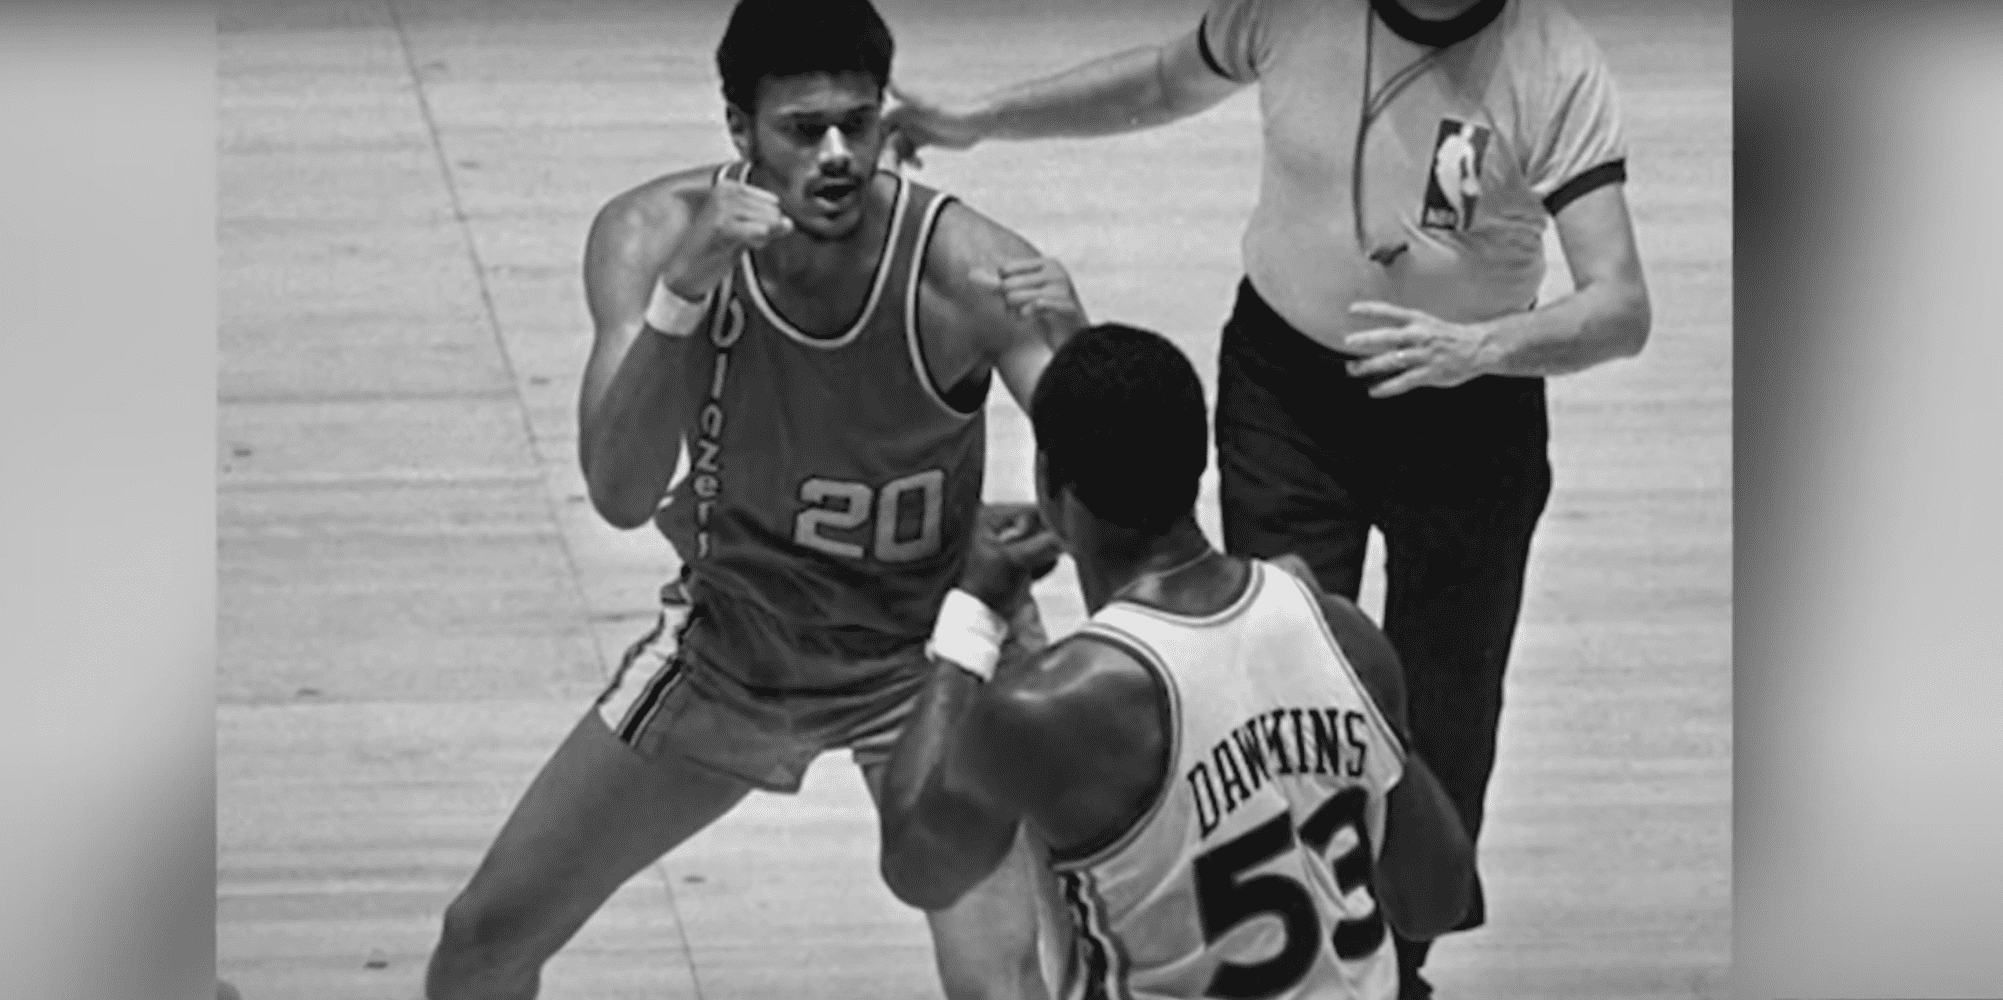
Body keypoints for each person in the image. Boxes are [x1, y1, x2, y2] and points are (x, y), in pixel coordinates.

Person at [886, 1, 1652, 993]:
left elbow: (1618, 304)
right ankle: (1240, 939)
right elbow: (1160, 82)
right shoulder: (1292, 9)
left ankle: (1387, 963)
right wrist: (979, 117)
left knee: (1437, 710)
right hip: (1287, 392)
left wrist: (1477, 351)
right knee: (1243, 665)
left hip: (1468, 411)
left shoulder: (1554, 67)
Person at [423, 1, 1090, 997]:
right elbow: (617, 490)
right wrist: (684, 292)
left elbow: (1119, 482)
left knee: (1000, 985)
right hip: (735, 648)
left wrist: (1083, 360)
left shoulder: (969, 268)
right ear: (738, 127)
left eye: (857, 124)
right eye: (800, 128)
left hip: (929, 661)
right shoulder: (653, 235)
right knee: (483, 939)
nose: (836, 155)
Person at [876, 322, 1476, 1000]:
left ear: (1050, 484)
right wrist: (1373, 713)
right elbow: (1435, 903)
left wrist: (972, 616)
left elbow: (916, 867)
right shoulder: (1339, 633)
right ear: (1199, 468)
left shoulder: (1046, 709)